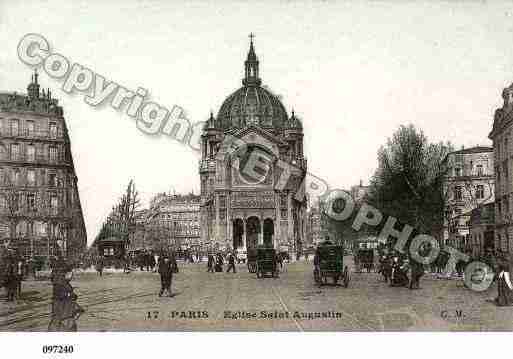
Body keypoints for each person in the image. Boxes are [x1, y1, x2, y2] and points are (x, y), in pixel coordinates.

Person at [48, 265, 84, 331]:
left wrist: (71, 295)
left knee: (59, 320)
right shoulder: (60, 283)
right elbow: (61, 294)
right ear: (65, 274)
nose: (71, 276)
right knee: (61, 321)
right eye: (70, 274)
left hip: (64, 307)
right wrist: (70, 294)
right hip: (63, 307)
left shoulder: (62, 282)